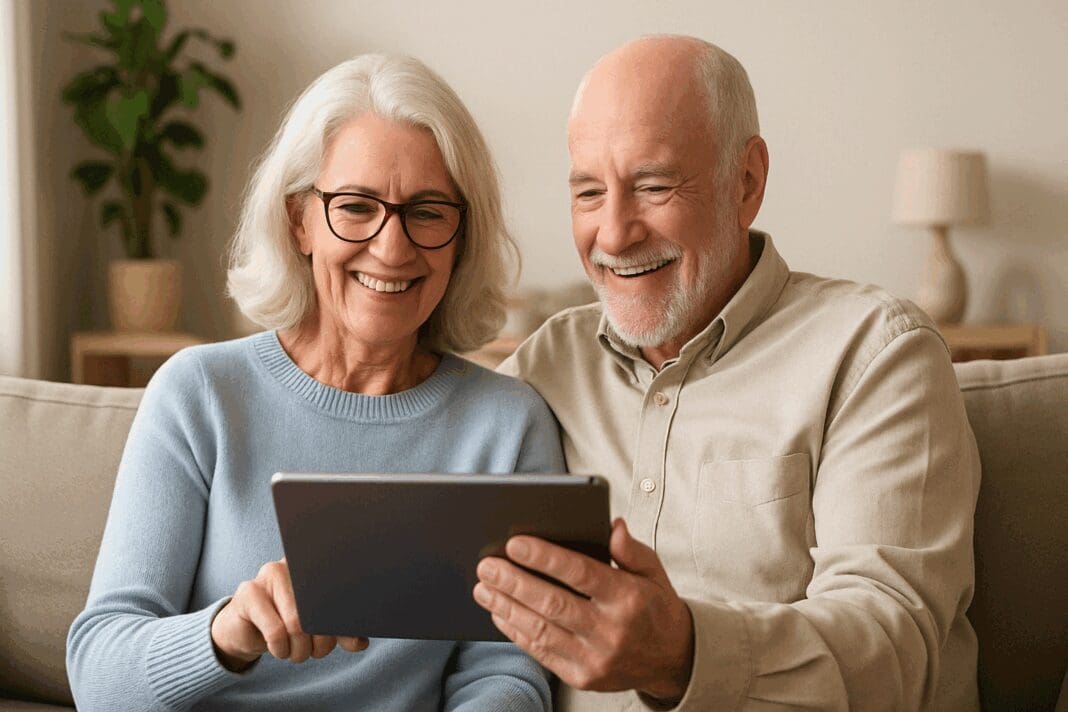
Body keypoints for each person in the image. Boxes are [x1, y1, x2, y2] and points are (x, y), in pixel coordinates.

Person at [476, 35, 981, 711]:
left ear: (745, 181)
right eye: (589, 192)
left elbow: (893, 649)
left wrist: (682, 654)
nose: (615, 232)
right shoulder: (546, 363)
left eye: (653, 185)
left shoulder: (877, 355)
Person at [66, 54, 559, 711]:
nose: (391, 248)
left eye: (428, 211)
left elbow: (508, 674)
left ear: (462, 233)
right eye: (355, 207)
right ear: (299, 220)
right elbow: (99, 677)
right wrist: (228, 634)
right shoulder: (198, 395)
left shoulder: (508, 426)